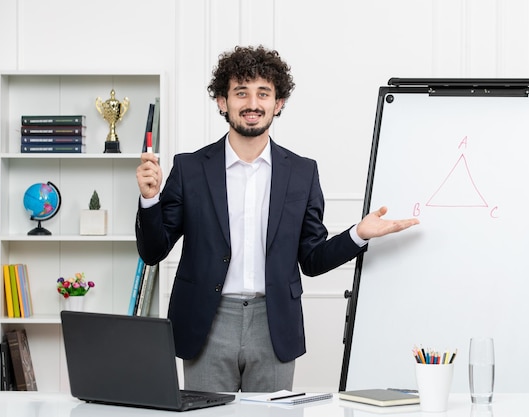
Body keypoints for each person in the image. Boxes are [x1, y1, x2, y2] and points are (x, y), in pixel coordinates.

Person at [135, 45, 419, 392]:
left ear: (278, 103)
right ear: (222, 101)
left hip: (273, 325)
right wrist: (150, 201)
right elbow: (153, 251)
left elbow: (311, 260)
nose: (252, 103)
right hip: (206, 323)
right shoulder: (190, 169)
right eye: (241, 92)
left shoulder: (302, 172)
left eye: (263, 93)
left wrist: (358, 234)